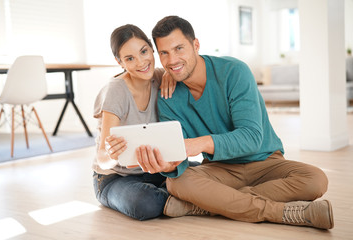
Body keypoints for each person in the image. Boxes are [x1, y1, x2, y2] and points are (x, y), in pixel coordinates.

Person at [135, 16, 334, 229]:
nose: (172, 60)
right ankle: (282, 213)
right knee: (176, 182)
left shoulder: (234, 72)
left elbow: (251, 138)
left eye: (179, 49)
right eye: (164, 53)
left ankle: (209, 204)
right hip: (220, 169)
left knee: (316, 179)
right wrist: (169, 164)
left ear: (196, 45)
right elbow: (178, 155)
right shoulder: (168, 95)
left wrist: (198, 144)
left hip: (265, 162)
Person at [92, 24, 177, 220]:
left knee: (200, 171)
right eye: (130, 58)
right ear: (119, 62)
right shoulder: (116, 91)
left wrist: (169, 74)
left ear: (151, 48)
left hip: (156, 170)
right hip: (115, 179)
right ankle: (179, 197)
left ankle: (173, 196)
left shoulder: (160, 78)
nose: (141, 62)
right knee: (145, 203)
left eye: (144, 51)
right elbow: (103, 159)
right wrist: (112, 154)